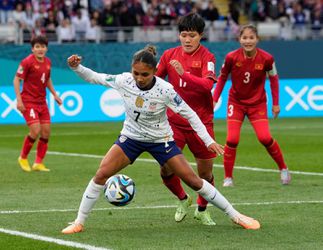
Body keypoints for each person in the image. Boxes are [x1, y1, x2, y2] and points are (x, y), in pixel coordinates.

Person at [61, 46, 260, 234]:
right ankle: (79, 222)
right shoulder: (123, 81)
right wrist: (76, 67)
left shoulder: (166, 90)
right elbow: (95, 77)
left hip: (161, 140)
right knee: (101, 173)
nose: (139, 78)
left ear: (155, 71)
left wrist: (208, 141)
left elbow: (190, 114)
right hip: (131, 137)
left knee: (193, 180)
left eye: (144, 74)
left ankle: (236, 215)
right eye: (135, 73)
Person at [156, 13, 218, 225]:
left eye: (192, 35)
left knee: (205, 172)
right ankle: (183, 199)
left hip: (202, 122)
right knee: (166, 166)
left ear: (201, 35)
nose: (187, 40)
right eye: (184, 35)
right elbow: (154, 81)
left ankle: (202, 209)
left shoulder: (207, 58)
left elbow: (207, 86)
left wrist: (184, 75)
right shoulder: (168, 55)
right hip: (174, 123)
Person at [212, 24, 291, 187]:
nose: (248, 41)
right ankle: (228, 178)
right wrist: (214, 98)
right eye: (244, 38)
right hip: (236, 102)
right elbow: (222, 77)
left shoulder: (267, 58)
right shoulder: (231, 57)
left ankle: (283, 168)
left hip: (257, 103)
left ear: (257, 39)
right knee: (232, 139)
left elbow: (274, 79)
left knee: (265, 137)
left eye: (251, 37)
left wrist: (276, 103)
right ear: (239, 39)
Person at [13, 35, 62, 172]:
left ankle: (38, 163)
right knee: (35, 130)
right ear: (32, 49)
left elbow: (47, 79)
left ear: (46, 48)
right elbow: (16, 80)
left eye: (43, 46)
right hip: (28, 101)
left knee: (46, 133)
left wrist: (55, 95)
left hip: (42, 102)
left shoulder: (47, 62)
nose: (40, 49)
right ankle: (23, 157)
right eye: (37, 47)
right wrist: (19, 100)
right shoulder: (26, 62)